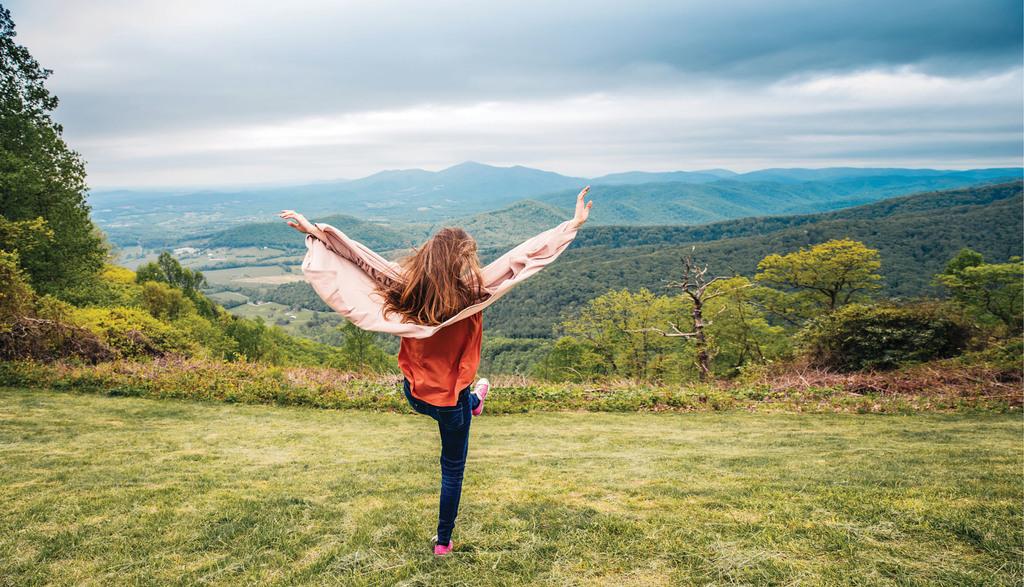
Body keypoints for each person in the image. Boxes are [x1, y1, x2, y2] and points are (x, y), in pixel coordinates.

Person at [279, 187, 593, 556]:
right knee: (452, 469)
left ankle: (475, 400)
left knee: (457, 406)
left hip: (414, 394)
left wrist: (316, 233)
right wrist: (570, 226)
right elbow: (518, 261)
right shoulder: (476, 293)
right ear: (463, 260)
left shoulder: (405, 290)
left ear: (429, 254)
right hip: (451, 404)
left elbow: (365, 261)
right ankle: (443, 541)